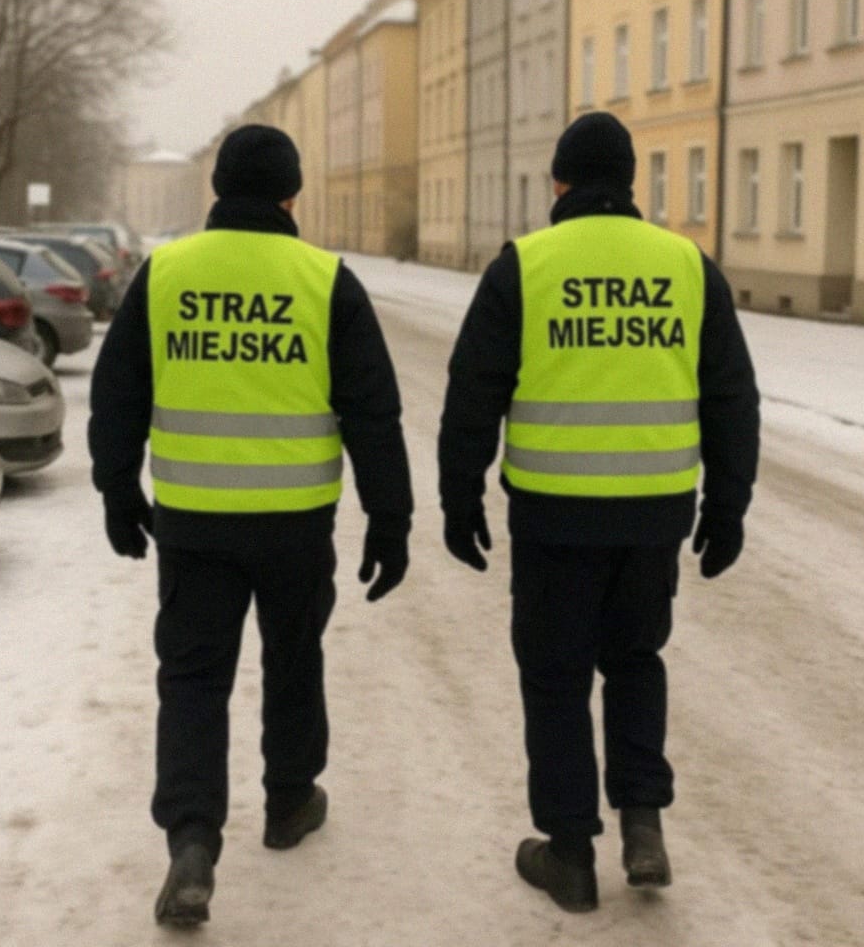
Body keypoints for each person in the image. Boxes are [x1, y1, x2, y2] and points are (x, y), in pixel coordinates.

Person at [88, 124, 413, 928]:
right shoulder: (324, 279)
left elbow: (118, 393)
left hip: (193, 521)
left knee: (193, 675)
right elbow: (372, 410)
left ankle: (193, 840)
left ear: (218, 192)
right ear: (291, 195)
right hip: (296, 523)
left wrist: (117, 491)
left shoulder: (166, 274)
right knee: (294, 658)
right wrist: (390, 516)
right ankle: (290, 799)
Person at [437, 112, 760, 913]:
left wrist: (458, 495)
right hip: (654, 515)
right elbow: (731, 396)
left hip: (554, 517)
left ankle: (572, 855)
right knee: (635, 662)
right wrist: (728, 503)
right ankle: (643, 824)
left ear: (560, 183)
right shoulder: (688, 267)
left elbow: (473, 394)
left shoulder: (525, 266)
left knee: (554, 678)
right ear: (632, 185)